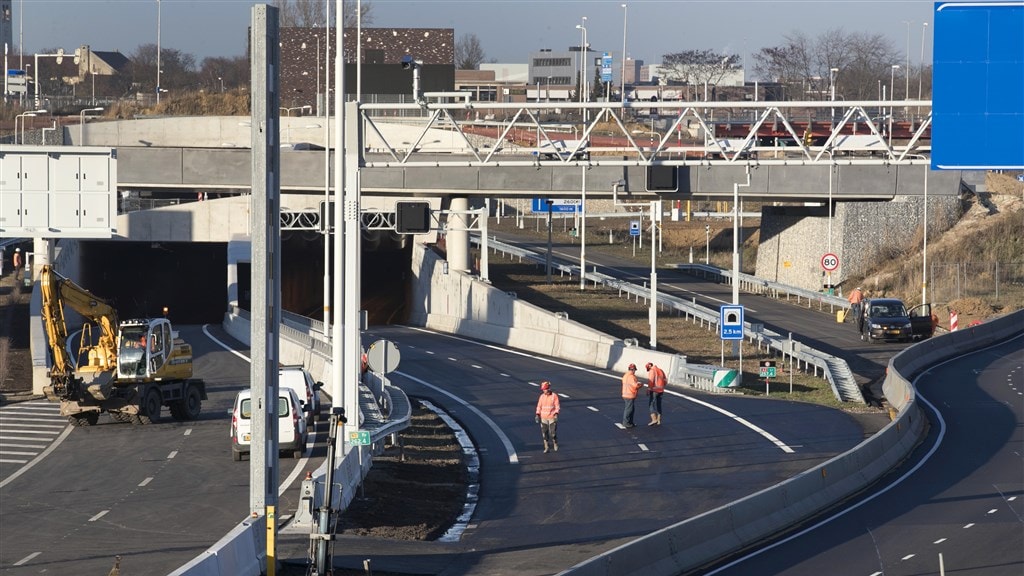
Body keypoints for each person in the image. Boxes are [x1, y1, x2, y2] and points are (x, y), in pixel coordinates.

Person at [534, 381, 560, 453]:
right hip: (543, 418)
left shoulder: (554, 396)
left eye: (545, 389)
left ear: (548, 388)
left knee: (553, 433)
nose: (544, 391)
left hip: (552, 417)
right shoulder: (542, 397)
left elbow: (557, 406)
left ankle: (555, 442)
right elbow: (539, 406)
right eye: (543, 389)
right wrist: (537, 414)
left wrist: (556, 414)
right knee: (544, 433)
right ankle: (546, 447)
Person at [621, 363, 643, 429]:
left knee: (631, 409)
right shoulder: (632, 377)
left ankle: (630, 422)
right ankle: (626, 423)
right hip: (630, 395)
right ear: (633, 369)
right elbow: (635, 385)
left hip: (625, 394)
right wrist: (640, 384)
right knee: (629, 409)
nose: (634, 371)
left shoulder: (625, 375)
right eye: (634, 370)